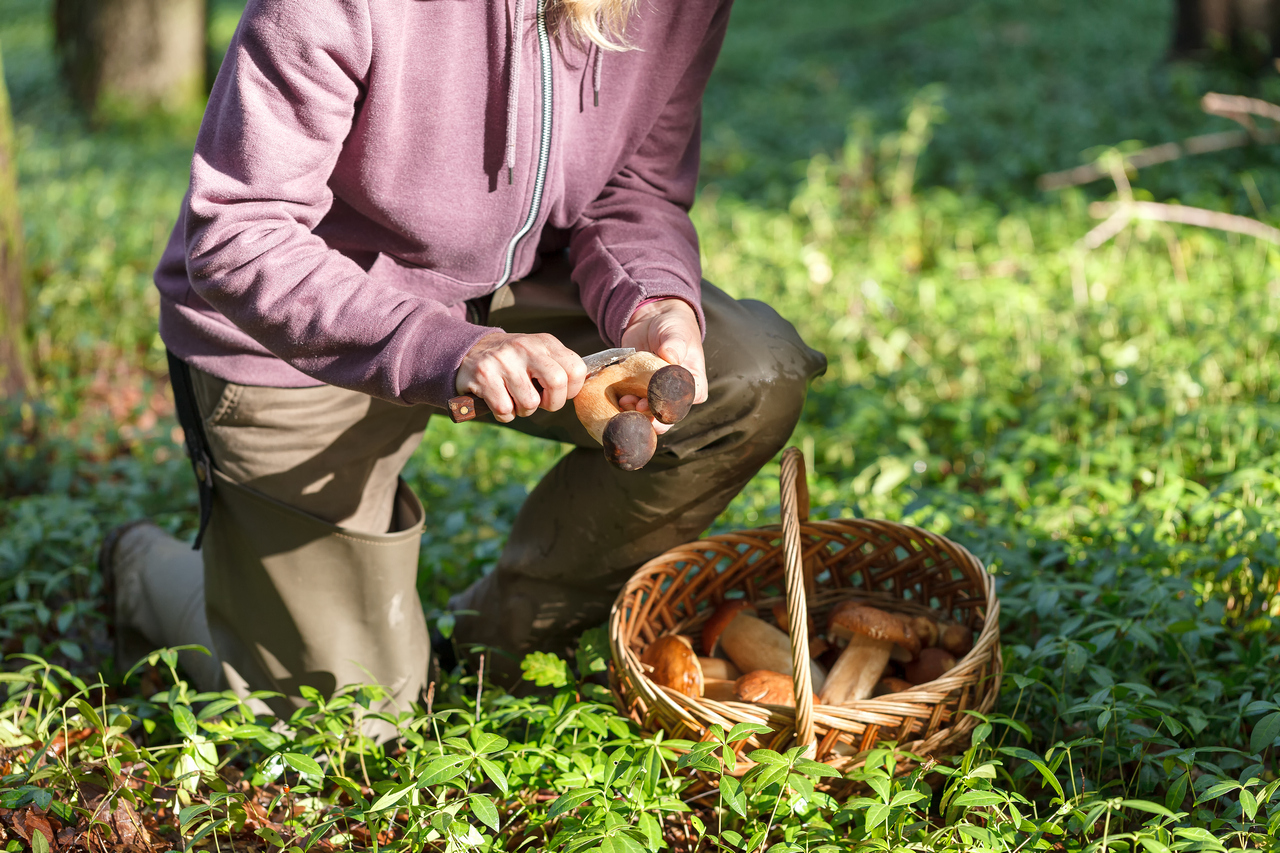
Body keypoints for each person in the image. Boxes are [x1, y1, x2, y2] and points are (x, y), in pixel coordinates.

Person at [99, 0, 826, 722]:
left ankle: (495, 646)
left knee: (748, 376)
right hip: (298, 329)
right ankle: (148, 574)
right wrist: (447, 349)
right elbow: (240, 235)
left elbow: (633, 185)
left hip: (520, 280)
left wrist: (654, 304)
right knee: (349, 720)